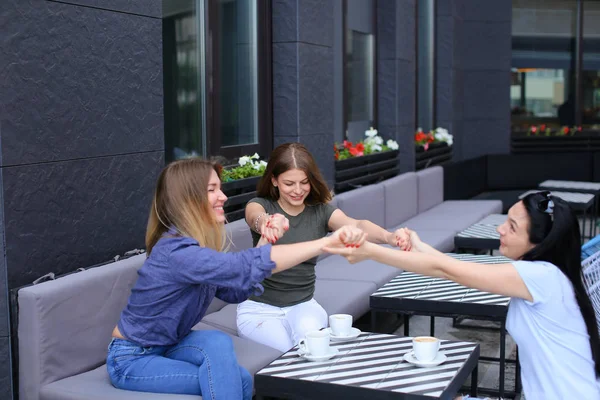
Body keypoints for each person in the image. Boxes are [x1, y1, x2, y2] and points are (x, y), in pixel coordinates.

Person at [106, 158, 367, 399]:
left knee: (219, 344)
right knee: (236, 380)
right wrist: (326, 243)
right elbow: (242, 267)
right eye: (212, 190)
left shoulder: (194, 249)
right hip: (132, 358)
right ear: (187, 198)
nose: (223, 197)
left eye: (220, 188)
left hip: (171, 343)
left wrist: (266, 240)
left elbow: (234, 291)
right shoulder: (176, 253)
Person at [324, 191, 600, 399]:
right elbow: (461, 268)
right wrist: (418, 246)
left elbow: (450, 271)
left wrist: (370, 251)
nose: (500, 229)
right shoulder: (545, 275)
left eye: (513, 227)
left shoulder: (542, 278)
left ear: (540, 243)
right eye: (507, 220)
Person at [238, 143, 411, 352]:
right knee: (287, 354)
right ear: (274, 180)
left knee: (313, 350)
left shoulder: (320, 211)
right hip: (259, 309)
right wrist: (266, 223)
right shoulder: (260, 205)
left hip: (302, 305)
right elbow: (254, 216)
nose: (298, 190)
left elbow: (356, 225)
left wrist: (390, 236)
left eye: (304, 182)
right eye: (289, 183)